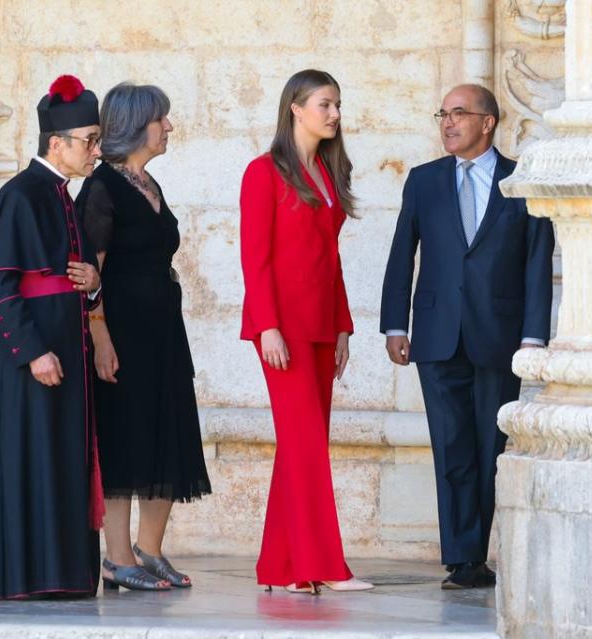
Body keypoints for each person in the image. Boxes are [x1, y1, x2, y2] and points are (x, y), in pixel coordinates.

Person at [379, 84, 554, 589]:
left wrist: (534, 337)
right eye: (443, 114)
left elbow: (536, 262)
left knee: (488, 449)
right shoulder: (424, 181)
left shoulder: (523, 180)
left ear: (488, 123)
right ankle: (463, 558)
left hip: (499, 337)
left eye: (460, 113)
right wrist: (395, 323)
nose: (448, 122)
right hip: (435, 335)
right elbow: (401, 255)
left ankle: (475, 551)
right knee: (450, 446)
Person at [0, 75, 105, 599]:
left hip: (69, 346)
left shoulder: (66, 196)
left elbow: (70, 277)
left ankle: (61, 576)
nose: (96, 151)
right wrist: (33, 351)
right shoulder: (18, 194)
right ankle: (25, 575)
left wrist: (92, 285)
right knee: (29, 456)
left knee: (62, 458)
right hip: (34, 353)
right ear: (56, 144)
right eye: (90, 140)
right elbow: (1, 284)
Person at [239, 69, 373, 595]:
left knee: (301, 445)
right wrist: (268, 326)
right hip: (282, 329)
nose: (335, 113)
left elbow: (330, 259)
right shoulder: (262, 172)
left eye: (338, 104)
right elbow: (256, 259)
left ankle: (282, 567)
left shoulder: (328, 172)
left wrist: (343, 327)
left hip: (322, 325)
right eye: (325, 103)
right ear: (295, 107)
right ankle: (325, 567)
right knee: (306, 444)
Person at [78, 82, 212, 593]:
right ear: (137, 125)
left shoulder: (148, 185)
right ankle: (115, 558)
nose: (170, 127)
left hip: (163, 333)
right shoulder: (102, 190)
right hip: (122, 335)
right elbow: (93, 273)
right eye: (163, 118)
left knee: (167, 432)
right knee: (124, 439)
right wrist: (100, 337)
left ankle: (150, 550)